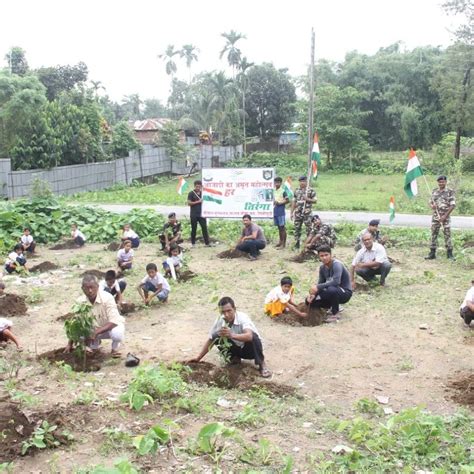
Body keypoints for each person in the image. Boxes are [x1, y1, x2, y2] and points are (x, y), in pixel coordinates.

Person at [188, 296, 271, 378]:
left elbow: (249, 336)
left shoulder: (243, 317)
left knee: (253, 336)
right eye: (223, 312)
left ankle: (261, 363)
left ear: (234, 309)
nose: (226, 315)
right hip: (235, 349)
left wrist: (231, 335)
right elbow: (211, 339)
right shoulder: (220, 320)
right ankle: (234, 359)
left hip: (250, 351)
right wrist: (198, 358)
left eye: (229, 311)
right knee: (217, 335)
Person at [66, 275, 125, 357]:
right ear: (82, 289)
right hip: (92, 331)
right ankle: (95, 347)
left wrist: (96, 332)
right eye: (87, 288)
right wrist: (70, 344)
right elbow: (76, 324)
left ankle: (114, 348)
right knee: (80, 336)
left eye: (92, 287)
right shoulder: (80, 302)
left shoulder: (107, 298)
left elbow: (114, 322)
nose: (90, 291)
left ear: (97, 287)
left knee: (117, 334)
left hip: (108, 329)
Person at [306, 245, 353, 323]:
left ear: (331, 255)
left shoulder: (337, 264)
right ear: (319, 257)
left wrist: (317, 287)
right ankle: (329, 308)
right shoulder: (322, 268)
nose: (324, 258)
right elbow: (321, 283)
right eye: (321, 256)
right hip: (331, 291)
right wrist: (313, 294)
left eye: (326, 255)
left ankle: (335, 313)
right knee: (310, 301)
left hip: (344, 292)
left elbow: (336, 282)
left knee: (331, 289)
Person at [425, 175, 456, 260]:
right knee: (433, 234)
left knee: (447, 235)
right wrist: (432, 206)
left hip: (445, 217)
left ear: (446, 182)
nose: (441, 183)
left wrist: (444, 216)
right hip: (436, 217)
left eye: (443, 182)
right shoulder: (434, 191)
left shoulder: (450, 192)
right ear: (438, 182)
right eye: (439, 182)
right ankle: (432, 253)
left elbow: (453, 205)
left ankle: (450, 254)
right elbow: (430, 202)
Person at [291, 176, 317, 250]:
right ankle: (297, 243)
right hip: (298, 213)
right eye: (300, 181)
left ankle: (309, 245)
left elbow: (315, 201)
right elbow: (293, 202)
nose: (302, 183)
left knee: (309, 229)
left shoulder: (310, 190)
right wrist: (291, 212)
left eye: (304, 181)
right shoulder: (296, 190)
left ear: (306, 182)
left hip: (307, 213)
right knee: (297, 228)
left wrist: (307, 199)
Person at [187, 180, 211, 247]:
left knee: (204, 228)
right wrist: (198, 202)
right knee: (194, 228)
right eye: (196, 186)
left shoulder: (203, 193)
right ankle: (193, 243)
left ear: (201, 187)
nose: (198, 188)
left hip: (202, 214)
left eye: (199, 187)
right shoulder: (191, 193)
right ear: (194, 186)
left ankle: (207, 243)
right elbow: (189, 203)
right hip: (194, 214)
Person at [273, 177, 289, 249]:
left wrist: (279, 203)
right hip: (275, 210)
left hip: (280, 210)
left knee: (282, 227)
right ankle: (280, 241)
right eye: (276, 182)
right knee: (279, 227)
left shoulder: (283, 191)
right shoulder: (273, 190)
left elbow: (287, 200)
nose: (277, 184)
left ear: (281, 183)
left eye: (278, 182)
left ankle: (284, 244)